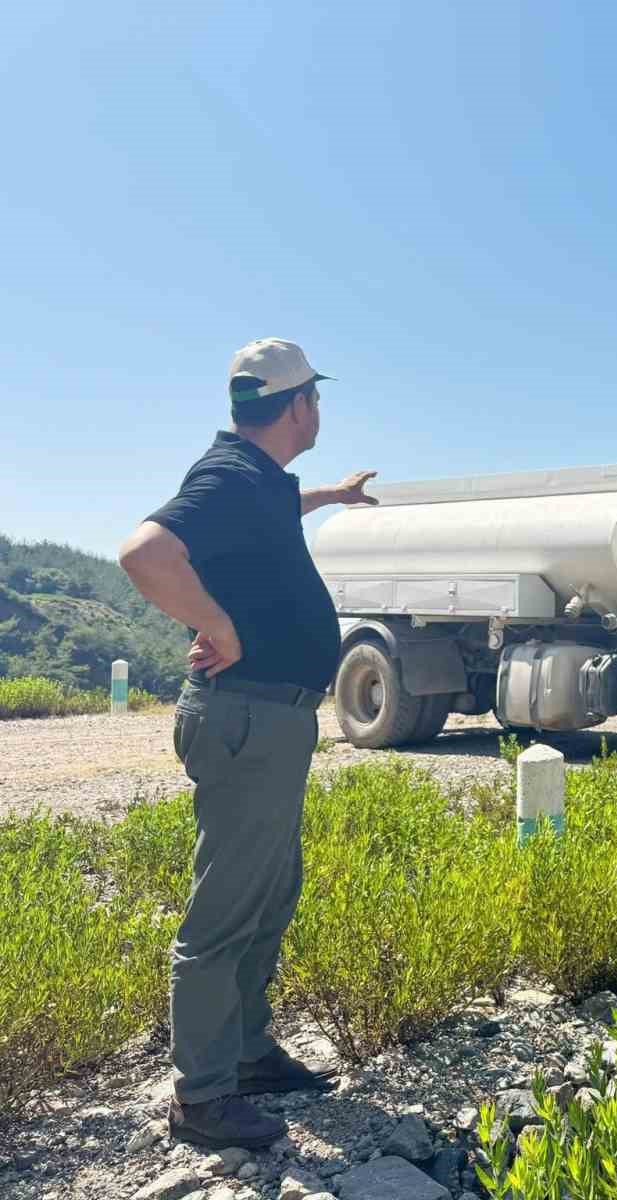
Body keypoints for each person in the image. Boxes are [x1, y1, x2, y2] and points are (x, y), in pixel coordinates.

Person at [119, 338, 378, 1150]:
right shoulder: (230, 476)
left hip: (273, 716)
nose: (319, 413)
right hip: (245, 715)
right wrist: (217, 622)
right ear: (299, 405)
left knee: (268, 896)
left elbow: (267, 513)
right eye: (317, 400)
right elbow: (145, 552)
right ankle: (200, 1098)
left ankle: (247, 1054)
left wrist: (329, 494)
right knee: (226, 909)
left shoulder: (260, 481)